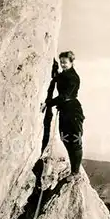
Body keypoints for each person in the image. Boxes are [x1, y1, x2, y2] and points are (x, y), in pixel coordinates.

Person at [41, 51, 85, 182]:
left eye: (65, 62)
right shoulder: (64, 74)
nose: (63, 64)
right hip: (65, 111)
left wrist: (48, 103)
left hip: (73, 112)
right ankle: (74, 169)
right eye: (61, 62)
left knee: (75, 141)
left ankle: (75, 172)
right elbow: (57, 78)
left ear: (71, 62)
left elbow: (64, 96)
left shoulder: (73, 77)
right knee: (65, 138)